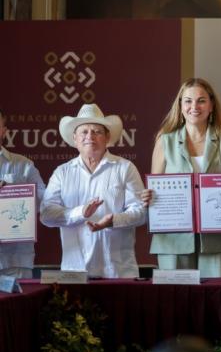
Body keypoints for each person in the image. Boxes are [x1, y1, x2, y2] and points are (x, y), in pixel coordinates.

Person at [142, 78, 221, 278]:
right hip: (174, 238)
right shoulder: (165, 140)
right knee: (176, 303)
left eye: (201, 101)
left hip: (220, 236)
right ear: (180, 106)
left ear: (211, 106)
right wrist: (147, 196)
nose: (194, 106)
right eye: (188, 101)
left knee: (220, 302)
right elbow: (155, 186)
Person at [41, 104, 147, 278]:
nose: (90, 136)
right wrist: (80, 212)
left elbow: (141, 213)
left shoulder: (125, 168)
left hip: (118, 272)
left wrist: (114, 220)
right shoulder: (62, 172)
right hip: (74, 273)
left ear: (107, 137)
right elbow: (46, 214)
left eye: (97, 131)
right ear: (75, 139)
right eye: (84, 132)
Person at [0, 109, 46, 278]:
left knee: (16, 305)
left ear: (4, 131)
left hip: (15, 259)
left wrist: (17, 196)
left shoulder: (24, 165)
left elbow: (45, 199)